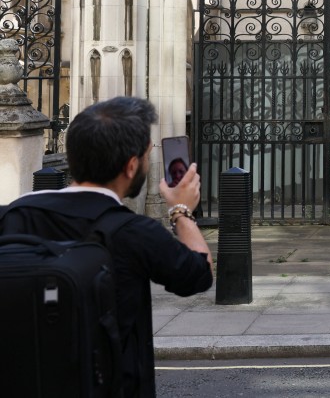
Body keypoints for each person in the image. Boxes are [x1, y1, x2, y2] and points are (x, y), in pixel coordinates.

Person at [0, 97, 213, 396]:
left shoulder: (12, 214)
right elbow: (198, 272)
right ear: (130, 166)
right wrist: (181, 209)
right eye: (147, 154)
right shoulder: (136, 232)